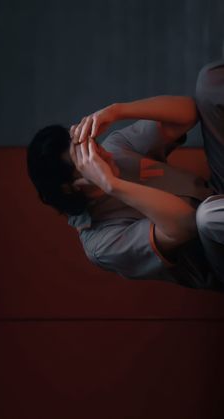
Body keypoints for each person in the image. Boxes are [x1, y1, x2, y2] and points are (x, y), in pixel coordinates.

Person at [27, 57, 224, 293]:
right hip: (216, 247)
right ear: (71, 186)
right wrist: (111, 184)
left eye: (88, 144)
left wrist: (117, 111)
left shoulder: (114, 149)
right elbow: (187, 224)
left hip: (216, 193)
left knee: (210, 80)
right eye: (85, 158)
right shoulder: (101, 243)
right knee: (208, 217)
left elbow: (189, 112)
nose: (100, 152)